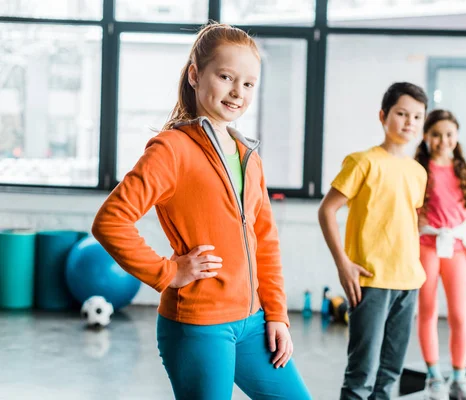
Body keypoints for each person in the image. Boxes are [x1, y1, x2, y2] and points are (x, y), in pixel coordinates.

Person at [92, 22, 311, 400]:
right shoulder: (171, 149)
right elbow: (110, 221)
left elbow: (265, 242)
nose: (237, 92)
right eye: (226, 76)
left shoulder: (248, 157)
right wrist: (168, 272)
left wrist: (276, 313)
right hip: (199, 324)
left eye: (248, 84)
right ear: (196, 74)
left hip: (253, 322)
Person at [318, 82, 428, 400]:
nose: (409, 122)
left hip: (409, 281)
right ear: (384, 116)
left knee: (390, 373)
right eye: (402, 114)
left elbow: (407, 221)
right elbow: (327, 211)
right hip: (371, 280)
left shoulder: (418, 172)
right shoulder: (362, 162)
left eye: (417, 117)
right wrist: (343, 264)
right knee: (361, 373)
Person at [414, 109, 466, 400]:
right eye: (436, 134)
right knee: (428, 312)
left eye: (449, 134)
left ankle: (459, 376)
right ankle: (434, 377)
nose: (443, 140)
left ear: (456, 137)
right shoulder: (419, 169)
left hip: (457, 250)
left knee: (460, 315)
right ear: (426, 137)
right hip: (426, 248)